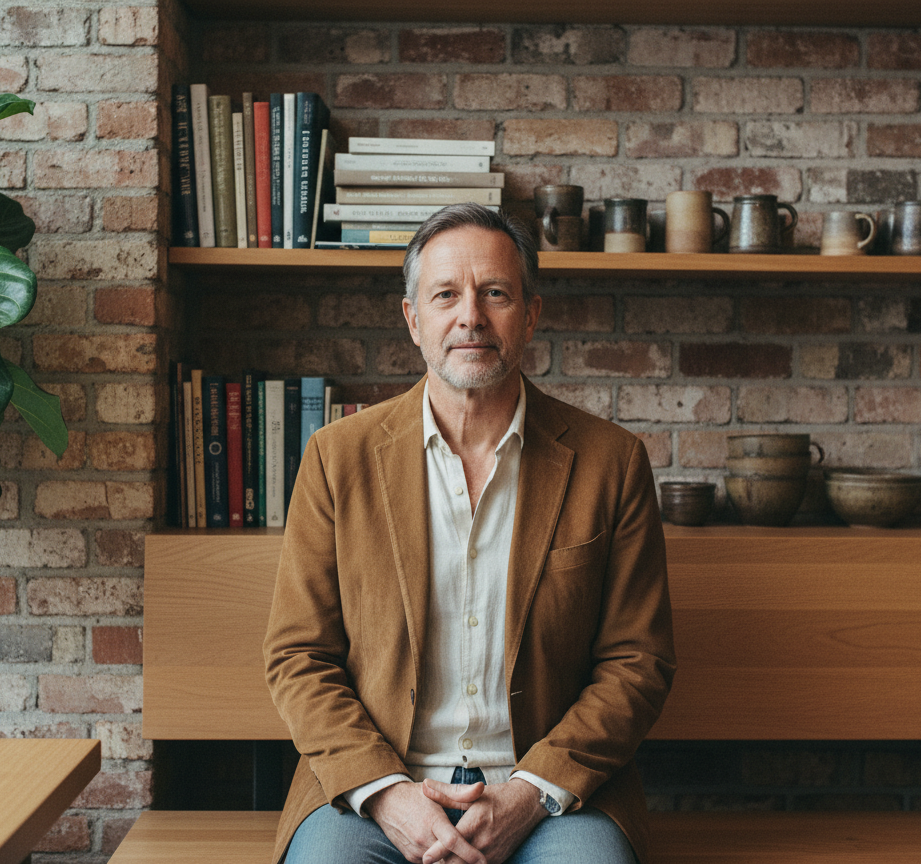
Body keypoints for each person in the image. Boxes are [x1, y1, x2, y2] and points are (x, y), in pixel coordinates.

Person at [264, 203, 675, 864]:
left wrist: (529, 793)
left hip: (554, 795)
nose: (471, 317)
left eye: (496, 294)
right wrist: (390, 795)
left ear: (531, 314)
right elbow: (298, 657)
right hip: (371, 792)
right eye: (446, 294)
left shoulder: (611, 462)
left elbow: (638, 662)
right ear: (413, 319)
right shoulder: (336, 459)